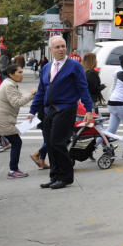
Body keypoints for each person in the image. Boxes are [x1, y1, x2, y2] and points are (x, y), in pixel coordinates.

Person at [27, 35, 95, 190]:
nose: (61, 49)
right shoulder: (46, 67)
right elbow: (41, 91)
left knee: (58, 142)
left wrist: (89, 109)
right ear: (51, 50)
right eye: (57, 47)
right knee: (50, 144)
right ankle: (54, 176)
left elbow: (83, 88)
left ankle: (66, 177)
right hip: (48, 110)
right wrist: (32, 111)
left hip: (66, 108)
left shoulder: (74, 66)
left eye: (63, 46)